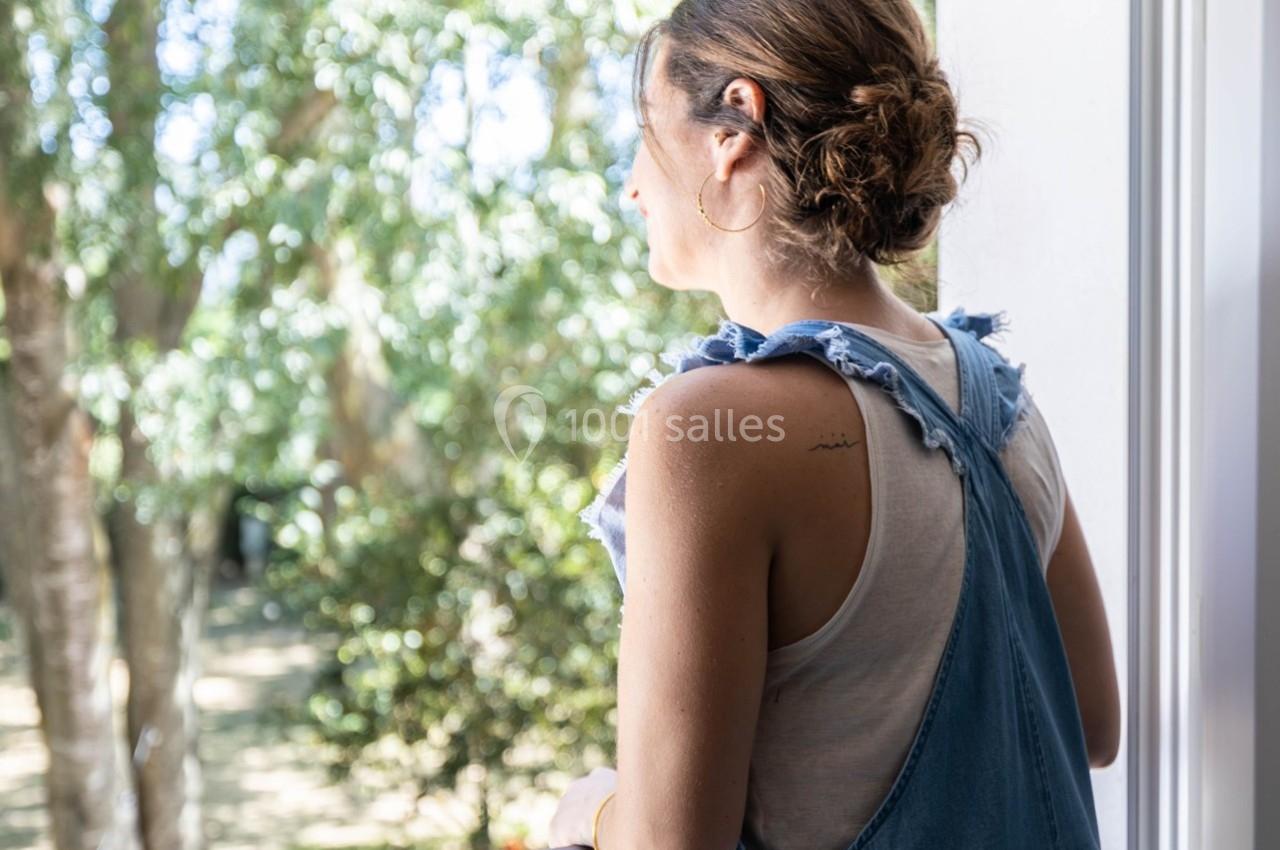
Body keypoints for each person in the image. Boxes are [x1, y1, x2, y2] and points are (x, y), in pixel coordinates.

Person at [548, 2, 1120, 848]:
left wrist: (590, 807)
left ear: (734, 125)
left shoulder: (705, 432)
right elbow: (1094, 728)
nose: (631, 181)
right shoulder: (1003, 401)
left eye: (644, 130)